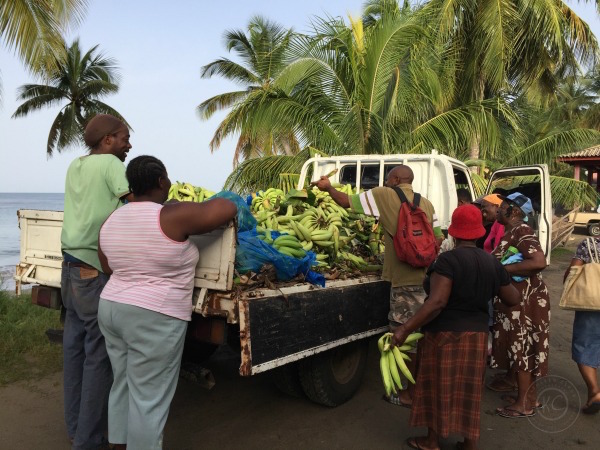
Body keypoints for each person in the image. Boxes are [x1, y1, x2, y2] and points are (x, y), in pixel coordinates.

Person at [97, 155, 237, 449]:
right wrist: (175, 207)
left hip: (111, 308)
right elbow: (227, 207)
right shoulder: (170, 215)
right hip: (154, 314)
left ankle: (117, 445)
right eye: (168, 177)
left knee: (121, 383)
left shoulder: (112, 217)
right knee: (149, 399)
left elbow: (108, 266)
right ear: (161, 181)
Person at [312, 165, 444, 407]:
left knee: (405, 338)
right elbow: (438, 237)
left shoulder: (384, 194)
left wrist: (328, 187)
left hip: (404, 282)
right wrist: (422, 255)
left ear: (394, 179)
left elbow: (345, 202)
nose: (385, 181)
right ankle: (414, 390)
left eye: (387, 178)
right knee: (417, 334)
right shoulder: (427, 203)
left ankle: (410, 394)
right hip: (425, 280)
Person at [392, 205, 519, 450]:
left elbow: (437, 301)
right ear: (479, 232)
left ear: (454, 233)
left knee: (437, 387)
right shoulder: (492, 263)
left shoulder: (447, 260)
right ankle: (469, 443)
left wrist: (404, 329)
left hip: (444, 335)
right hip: (477, 336)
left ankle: (431, 441)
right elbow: (512, 298)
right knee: (470, 391)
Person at [61, 114, 133, 449]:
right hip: (93, 267)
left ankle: (77, 430)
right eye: (124, 138)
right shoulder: (111, 164)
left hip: (70, 267)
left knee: (73, 351)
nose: (128, 145)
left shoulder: (76, 165)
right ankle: (88, 442)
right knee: (98, 356)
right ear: (107, 141)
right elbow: (135, 206)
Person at [489, 192, 550, 418]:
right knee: (522, 345)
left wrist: (502, 270)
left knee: (522, 346)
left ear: (514, 210)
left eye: (502, 205)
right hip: (518, 298)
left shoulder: (522, 230)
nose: (497, 209)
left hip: (524, 300)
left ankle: (523, 404)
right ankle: (528, 397)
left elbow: (538, 261)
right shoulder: (513, 231)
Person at [563, 238, 600, 414]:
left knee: (585, 344)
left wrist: (567, 285)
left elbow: (573, 269)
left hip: (592, 303)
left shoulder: (590, 244)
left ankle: (594, 392)